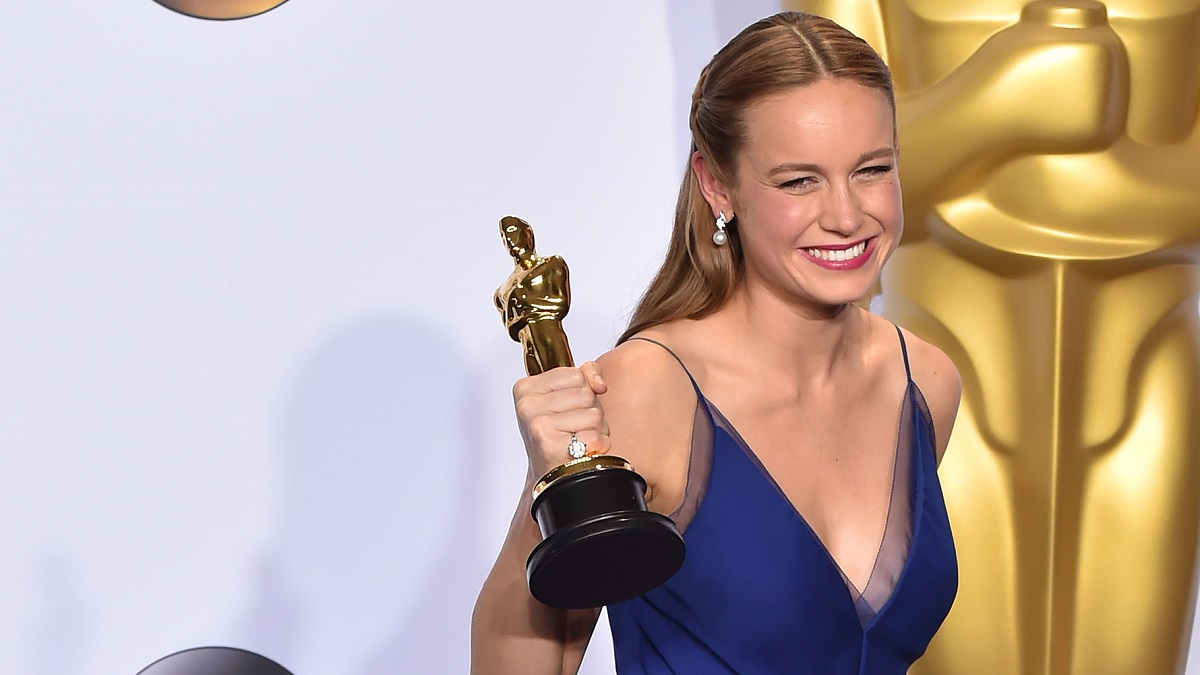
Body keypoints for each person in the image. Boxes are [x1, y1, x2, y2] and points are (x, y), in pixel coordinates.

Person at [471, 11, 962, 674]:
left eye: (871, 169)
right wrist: (547, 481)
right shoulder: (649, 391)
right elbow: (529, 658)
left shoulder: (925, 380)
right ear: (716, 184)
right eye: (798, 180)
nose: (847, 215)